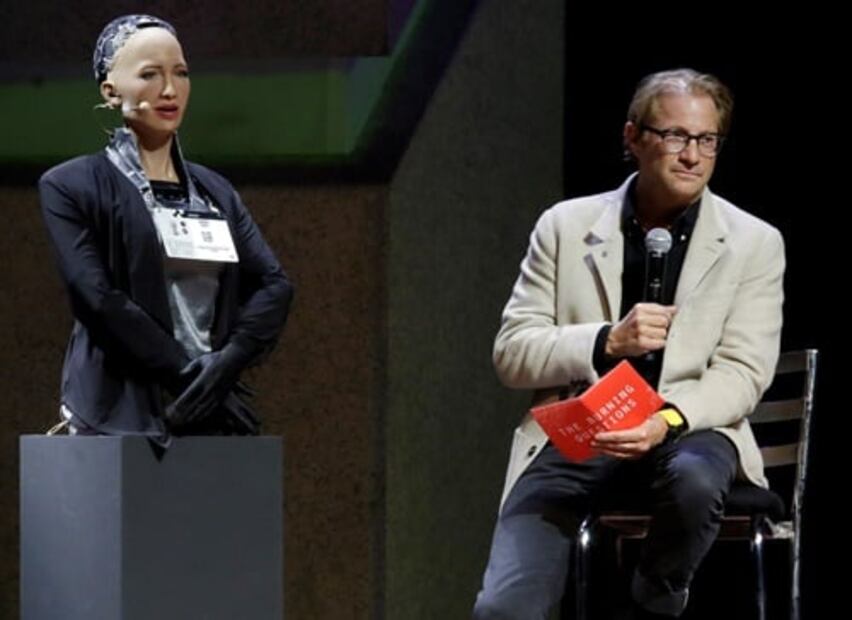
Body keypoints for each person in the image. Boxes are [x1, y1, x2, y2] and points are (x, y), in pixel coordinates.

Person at [472, 68, 784, 619]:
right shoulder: (566, 226)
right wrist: (606, 340)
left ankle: (653, 597)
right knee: (504, 608)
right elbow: (512, 353)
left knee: (694, 479)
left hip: (690, 430)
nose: (692, 155)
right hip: (586, 430)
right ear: (633, 137)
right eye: (675, 135)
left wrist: (665, 420)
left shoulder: (753, 242)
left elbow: (743, 372)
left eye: (707, 139)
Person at [39, 15, 293, 444]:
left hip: (208, 414)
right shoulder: (72, 185)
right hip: (118, 413)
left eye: (181, 73)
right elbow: (97, 298)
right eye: (150, 75)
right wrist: (189, 375)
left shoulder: (215, 191)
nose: (170, 90)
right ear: (110, 90)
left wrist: (226, 364)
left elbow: (275, 284)